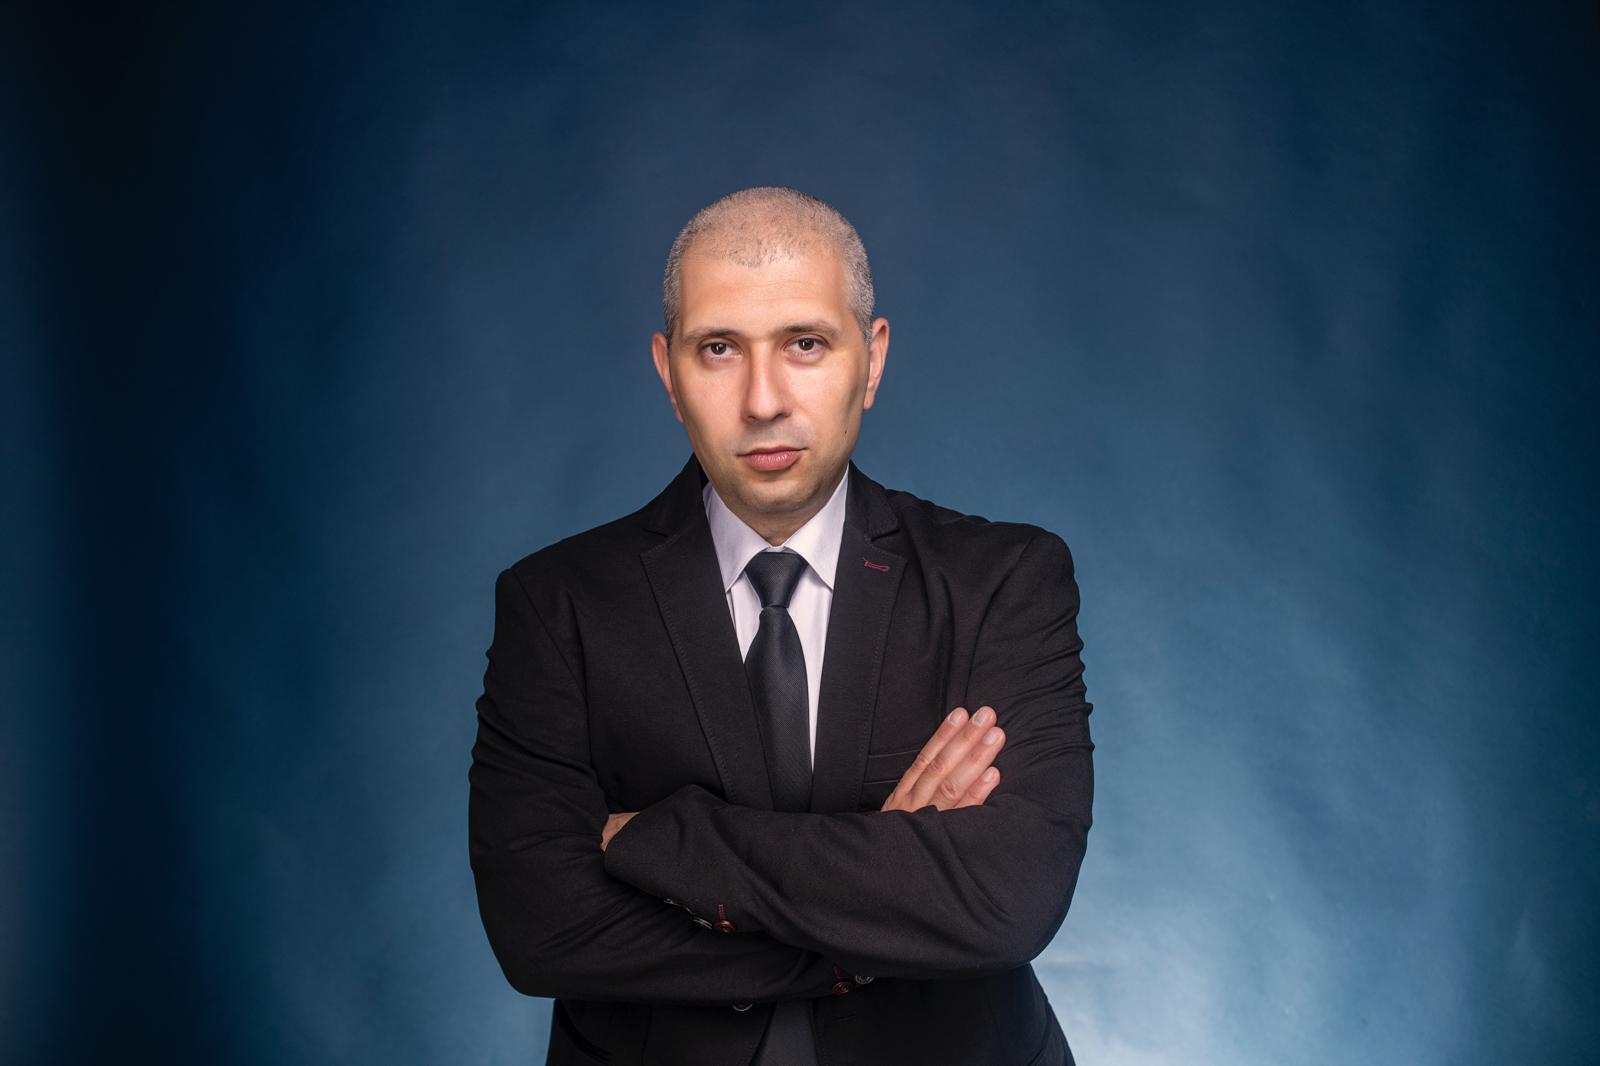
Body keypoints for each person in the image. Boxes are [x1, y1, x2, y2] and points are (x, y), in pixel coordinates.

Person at [469, 186, 1094, 1066]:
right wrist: (864, 936)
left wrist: (666, 839)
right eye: (719, 348)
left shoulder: (1004, 580)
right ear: (668, 372)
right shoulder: (554, 604)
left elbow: (1008, 898)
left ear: (872, 360)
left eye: (805, 343)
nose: (763, 399)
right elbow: (541, 928)